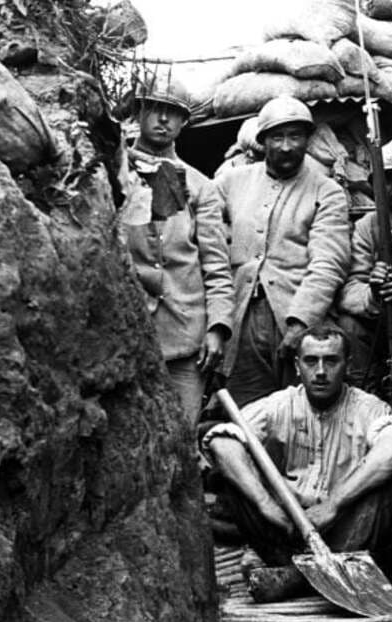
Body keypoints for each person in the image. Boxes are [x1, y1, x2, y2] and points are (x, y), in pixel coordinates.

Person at [203, 324, 392, 602]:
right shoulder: (280, 404)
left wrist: (334, 505)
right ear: (297, 366)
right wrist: (266, 504)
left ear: (348, 365)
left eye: (331, 361)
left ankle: (296, 578)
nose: (321, 372)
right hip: (286, 530)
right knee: (235, 471)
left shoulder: (368, 408)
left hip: (344, 533)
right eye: (311, 361)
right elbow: (222, 443)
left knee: (388, 479)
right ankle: (304, 572)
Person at [214, 96, 352, 407]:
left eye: (295, 136)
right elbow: (203, 228)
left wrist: (301, 322)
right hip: (241, 317)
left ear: (307, 139)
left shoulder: (326, 191)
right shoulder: (231, 182)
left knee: (302, 411)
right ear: (263, 141)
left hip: (295, 316)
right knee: (246, 412)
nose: (287, 146)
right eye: (277, 137)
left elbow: (329, 262)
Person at [120, 75, 235, 423]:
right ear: (139, 112)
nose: (163, 120)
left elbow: (216, 265)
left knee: (182, 434)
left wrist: (217, 327)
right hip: (128, 332)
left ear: (184, 121)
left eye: (173, 113)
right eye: (154, 109)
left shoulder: (201, 187)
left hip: (185, 336)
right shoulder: (117, 173)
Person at [336, 139, 392, 389]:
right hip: (384, 324)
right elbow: (350, 289)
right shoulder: (367, 226)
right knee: (349, 326)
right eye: (388, 181)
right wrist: (373, 294)